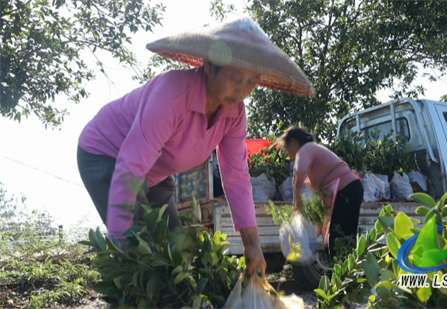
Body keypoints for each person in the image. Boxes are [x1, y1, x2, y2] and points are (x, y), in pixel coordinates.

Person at [77, 17, 315, 277]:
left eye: (251, 81)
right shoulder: (170, 96)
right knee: (141, 252)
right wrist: (127, 251)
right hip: (106, 155)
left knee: (178, 252)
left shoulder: (234, 114)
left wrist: (252, 245)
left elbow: (236, 175)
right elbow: (129, 167)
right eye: (236, 77)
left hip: (153, 173)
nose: (241, 91)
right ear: (210, 65)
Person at [277, 127, 364, 260]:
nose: (287, 153)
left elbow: (298, 175)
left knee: (340, 240)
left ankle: (345, 276)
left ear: (293, 141)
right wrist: (319, 221)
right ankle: (340, 275)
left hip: (347, 189)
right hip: (346, 191)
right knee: (333, 240)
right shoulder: (312, 156)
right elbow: (324, 195)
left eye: (286, 147)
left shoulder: (306, 149)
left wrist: (297, 203)